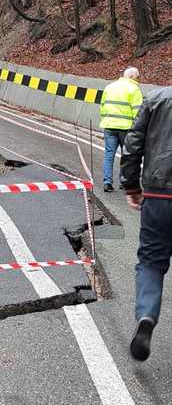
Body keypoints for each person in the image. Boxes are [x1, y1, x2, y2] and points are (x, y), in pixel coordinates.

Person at [121, 86, 172, 361]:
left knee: (152, 261)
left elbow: (132, 145)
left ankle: (147, 317)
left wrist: (131, 186)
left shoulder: (155, 99)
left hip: (157, 194)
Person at [99, 67, 143, 192]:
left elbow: (102, 107)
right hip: (126, 128)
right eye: (137, 77)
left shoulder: (109, 87)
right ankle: (123, 182)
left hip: (109, 126)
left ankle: (107, 182)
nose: (138, 79)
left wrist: (106, 120)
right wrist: (138, 129)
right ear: (132, 77)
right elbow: (138, 112)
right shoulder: (134, 89)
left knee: (109, 155)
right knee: (127, 156)